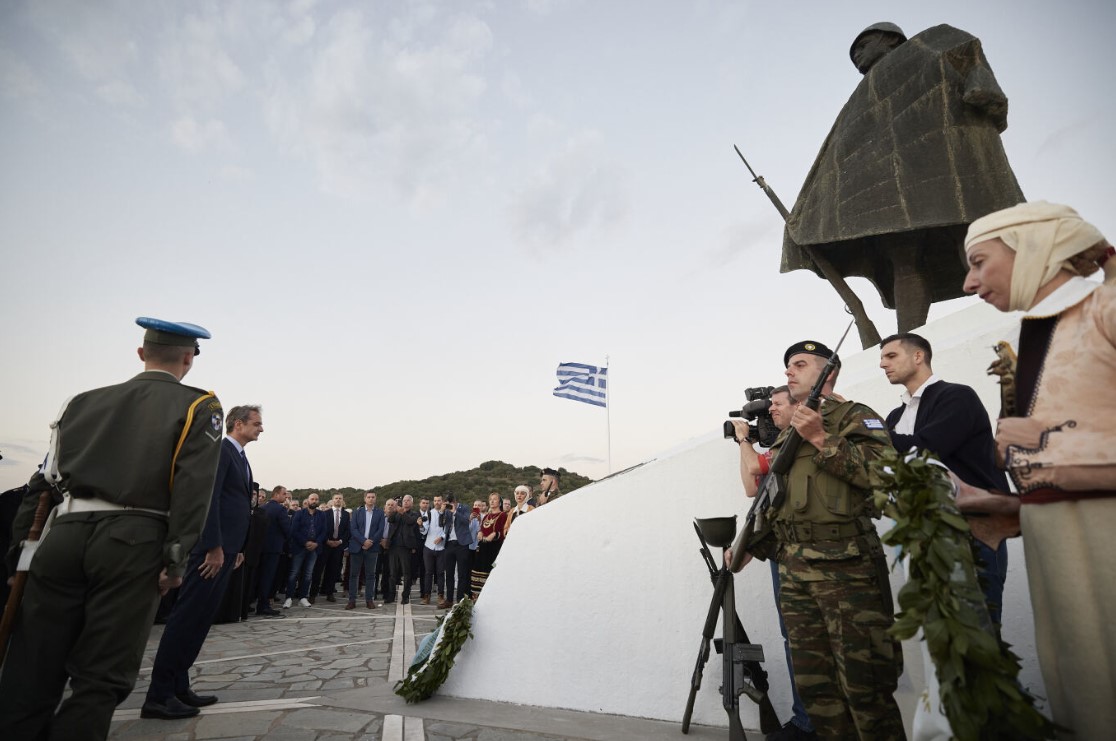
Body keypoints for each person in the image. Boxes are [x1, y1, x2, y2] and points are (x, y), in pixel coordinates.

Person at [0, 318, 221, 739]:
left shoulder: (81, 402)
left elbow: (41, 483)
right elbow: (192, 489)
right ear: (189, 358)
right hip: (134, 539)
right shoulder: (199, 406)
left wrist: (18, 556)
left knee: (31, 668)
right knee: (101, 674)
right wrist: (176, 558)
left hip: (62, 536)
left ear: (141, 354)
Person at [959, 201, 1116, 740]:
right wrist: (1010, 506)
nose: (968, 282)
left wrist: (1048, 447)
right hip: (1059, 556)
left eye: (979, 262)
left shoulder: (1107, 306)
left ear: (1032, 246)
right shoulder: (1039, 334)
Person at [782, 22, 1023, 332]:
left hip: (940, 165)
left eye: (864, 44)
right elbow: (839, 151)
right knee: (903, 257)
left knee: (967, 232)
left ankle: (1004, 308)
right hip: (893, 189)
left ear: (891, 39)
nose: (857, 54)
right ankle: (908, 338)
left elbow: (964, 49)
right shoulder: (859, 96)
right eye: (854, 51)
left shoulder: (923, 46)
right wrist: (809, 211)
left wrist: (980, 82)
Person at [744, 341, 903, 740]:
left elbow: (886, 475)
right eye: (787, 366)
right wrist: (750, 544)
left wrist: (820, 438)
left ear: (828, 372)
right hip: (796, 571)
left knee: (865, 688)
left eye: (799, 364)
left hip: (847, 571)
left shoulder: (854, 416)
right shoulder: (785, 435)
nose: (788, 372)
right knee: (818, 691)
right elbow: (778, 501)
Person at [142, 404, 262, 720]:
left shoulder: (240, 457)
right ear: (238, 424)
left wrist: (236, 548)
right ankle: (159, 694)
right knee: (186, 619)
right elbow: (208, 499)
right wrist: (213, 546)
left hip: (226, 551)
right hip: (210, 552)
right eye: (256, 423)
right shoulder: (221, 450)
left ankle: (179, 685)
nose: (261, 429)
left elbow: (235, 505)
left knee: (200, 621)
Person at [879, 333, 1011, 619]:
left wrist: (869, 432)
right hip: (920, 536)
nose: (882, 364)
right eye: (881, 358)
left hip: (972, 530)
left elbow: (928, 448)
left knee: (979, 632)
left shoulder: (957, 396)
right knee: (938, 638)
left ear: (918, 356)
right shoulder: (893, 417)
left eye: (890, 356)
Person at [730, 386, 816, 741]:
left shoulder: (796, 442)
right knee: (793, 637)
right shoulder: (780, 447)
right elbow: (753, 487)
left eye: (778, 405)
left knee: (808, 639)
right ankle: (805, 721)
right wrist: (748, 442)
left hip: (804, 554)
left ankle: (810, 724)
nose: (774, 412)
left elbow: (753, 465)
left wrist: (743, 441)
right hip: (781, 551)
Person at [254, 485, 292, 617]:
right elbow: (287, 529)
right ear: (276, 494)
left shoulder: (262, 508)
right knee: (267, 577)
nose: (285, 497)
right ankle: (263, 605)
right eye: (284, 494)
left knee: (258, 576)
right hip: (274, 548)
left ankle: (255, 602)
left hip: (260, 548)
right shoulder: (280, 510)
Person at [284, 492, 326, 608]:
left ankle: (303, 597)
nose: (314, 501)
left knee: (308, 574)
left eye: (316, 499)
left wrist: (316, 543)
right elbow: (294, 530)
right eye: (312, 499)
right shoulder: (299, 514)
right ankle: (289, 597)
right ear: (307, 501)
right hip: (300, 547)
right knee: (294, 573)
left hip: (314, 549)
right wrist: (305, 542)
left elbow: (324, 531)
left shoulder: (322, 515)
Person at [347, 491, 384, 609]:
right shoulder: (357, 512)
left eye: (373, 497)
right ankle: (352, 600)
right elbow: (353, 529)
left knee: (370, 575)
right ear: (365, 499)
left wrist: (370, 541)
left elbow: (380, 529)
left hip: (372, 548)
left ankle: (369, 600)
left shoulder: (380, 513)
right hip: (357, 547)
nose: (371, 499)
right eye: (369, 497)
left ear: (375, 499)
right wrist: (363, 541)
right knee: (354, 575)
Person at [311, 494, 349, 603]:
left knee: (333, 571)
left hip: (338, 546)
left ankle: (329, 593)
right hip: (325, 544)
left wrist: (340, 541)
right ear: (332, 500)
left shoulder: (346, 515)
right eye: (336, 498)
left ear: (342, 500)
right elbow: (321, 528)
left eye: (340, 498)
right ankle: (313, 594)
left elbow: (347, 531)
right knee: (318, 570)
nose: (338, 500)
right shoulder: (325, 513)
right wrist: (327, 540)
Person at [384, 494, 420, 604]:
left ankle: (405, 596)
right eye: (404, 501)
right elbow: (390, 520)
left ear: (412, 503)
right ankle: (391, 596)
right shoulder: (397, 513)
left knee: (406, 573)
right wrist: (395, 510)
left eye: (408, 501)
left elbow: (410, 522)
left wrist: (402, 512)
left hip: (405, 547)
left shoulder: (415, 514)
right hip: (394, 546)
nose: (405, 502)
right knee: (393, 573)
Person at [471, 492, 508, 598]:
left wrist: (495, 534)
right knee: (478, 569)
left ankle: (489, 596)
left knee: (490, 571)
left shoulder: (503, 515)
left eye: (494, 499)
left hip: (494, 549)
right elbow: (483, 528)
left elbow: (503, 532)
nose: (492, 501)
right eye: (490, 499)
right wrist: (480, 532)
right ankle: (476, 596)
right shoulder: (487, 515)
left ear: (499, 502)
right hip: (483, 548)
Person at [442, 493, 475, 605]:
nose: (449, 505)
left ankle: (460, 599)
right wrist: (442, 512)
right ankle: (449, 599)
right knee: (449, 573)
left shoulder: (464, 507)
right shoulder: (446, 510)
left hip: (462, 544)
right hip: (449, 544)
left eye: (450, 503)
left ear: (455, 501)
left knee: (462, 573)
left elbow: (466, 521)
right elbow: (440, 523)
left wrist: (455, 512)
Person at [419, 494, 447, 606]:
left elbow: (448, 528)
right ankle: (426, 596)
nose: (437, 502)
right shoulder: (429, 513)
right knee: (428, 573)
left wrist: (442, 537)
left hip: (441, 547)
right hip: (429, 547)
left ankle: (440, 596)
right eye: (435, 501)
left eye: (439, 500)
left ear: (442, 501)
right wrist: (420, 526)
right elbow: (424, 531)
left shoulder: (447, 513)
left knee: (440, 573)